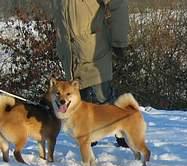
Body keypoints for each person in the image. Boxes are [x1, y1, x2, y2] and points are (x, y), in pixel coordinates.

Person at [51, 0, 130, 147]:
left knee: (103, 96)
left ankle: (123, 132)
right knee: (81, 99)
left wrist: (120, 40)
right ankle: (90, 135)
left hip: (94, 51)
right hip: (70, 57)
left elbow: (118, 3)